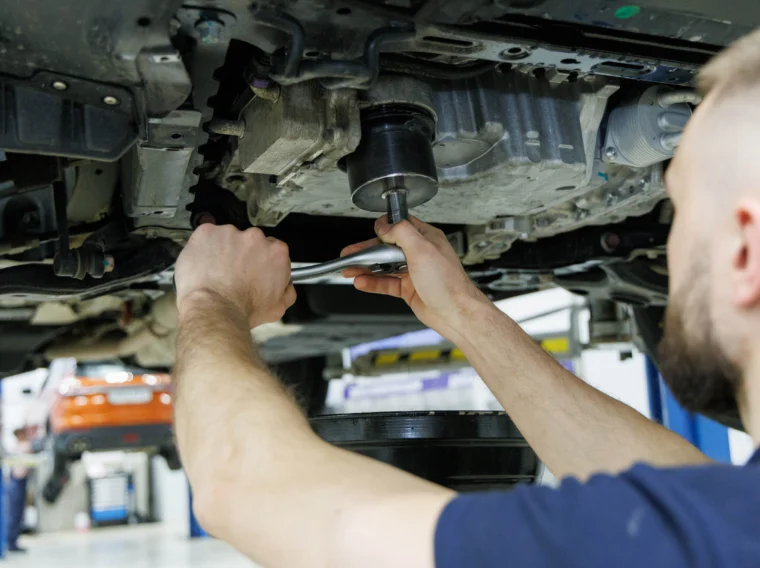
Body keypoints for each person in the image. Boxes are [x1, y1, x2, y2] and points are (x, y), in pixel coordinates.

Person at [172, 27, 760, 568]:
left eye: (681, 209)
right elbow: (675, 488)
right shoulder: (727, 527)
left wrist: (211, 299)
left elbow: (244, 488)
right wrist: (465, 312)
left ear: (745, 252)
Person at [6, 428, 30, 553]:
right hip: (16, 481)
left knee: (18, 514)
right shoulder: (21, 446)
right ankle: (11, 542)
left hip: (21, 481)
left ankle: (13, 541)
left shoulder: (16, 447)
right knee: (14, 513)